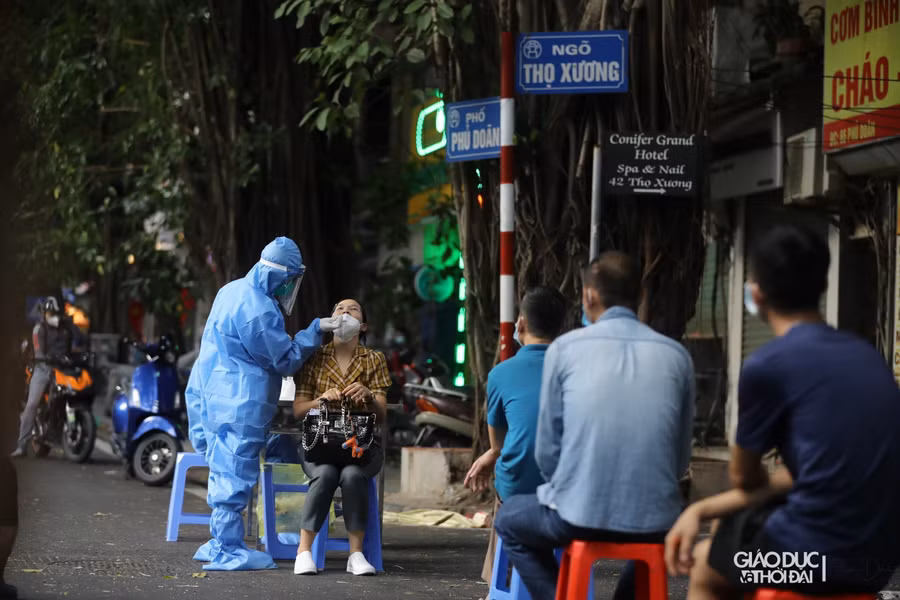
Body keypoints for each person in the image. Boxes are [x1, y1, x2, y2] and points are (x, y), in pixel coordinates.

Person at [665, 224, 900, 598]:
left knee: (706, 566)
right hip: (878, 564)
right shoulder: (868, 357)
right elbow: (800, 477)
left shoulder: (769, 366)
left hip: (809, 562)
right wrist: (700, 510)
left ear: (756, 291)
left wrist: (699, 510)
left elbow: (745, 479)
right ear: (821, 286)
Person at [494, 252, 695, 600]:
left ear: (589, 296)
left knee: (509, 520)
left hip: (577, 513)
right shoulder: (676, 356)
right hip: (656, 518)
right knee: (656, 533)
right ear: (640, 295)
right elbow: (679, 461)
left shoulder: (566, 351)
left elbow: (547, 452)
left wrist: (569, 488)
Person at [186, 237, 343, 571]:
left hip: (211, 393)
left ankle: (221, 540)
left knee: (225, 468)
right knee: (234, 475)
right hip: (240, 402)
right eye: (288, 279)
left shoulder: (230, 290)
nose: (289, 286)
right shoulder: (257, 309)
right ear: (282, 275)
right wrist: (314, 331)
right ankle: (227, 549)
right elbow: (283, 359)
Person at [463, 286, 568, 589]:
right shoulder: (575, 368)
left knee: (506, 483)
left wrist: (493, 453)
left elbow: (499, 439)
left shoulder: (501, 373)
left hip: (520, 488)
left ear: (520, 324)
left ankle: (500, 586)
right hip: (570, 489)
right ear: (562, 328)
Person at [292, 298, 391, 576]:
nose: (345, 312)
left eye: (353, 309)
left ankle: (356, 555)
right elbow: (298, 409)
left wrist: (369, 396)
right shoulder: (314, 357)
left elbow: (381, 414)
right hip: (319, 446)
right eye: (339, 309)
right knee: (324, 474)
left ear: (363, 325)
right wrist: (319, 400)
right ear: (330, 320)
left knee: (351, 475)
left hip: (362, 448)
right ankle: (303, 552)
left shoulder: (374, 359)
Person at [12, 296, 83, 458]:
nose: (54, 316)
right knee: (32, 405)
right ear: (44, 314)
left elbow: (78, 342)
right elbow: (40, 350)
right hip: (43, 369)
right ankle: (21, 446)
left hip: (63, 370)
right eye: (50, 313)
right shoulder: (39, 329)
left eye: (56, 313)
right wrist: (46, 358)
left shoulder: (67, 327)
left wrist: (82, 352)